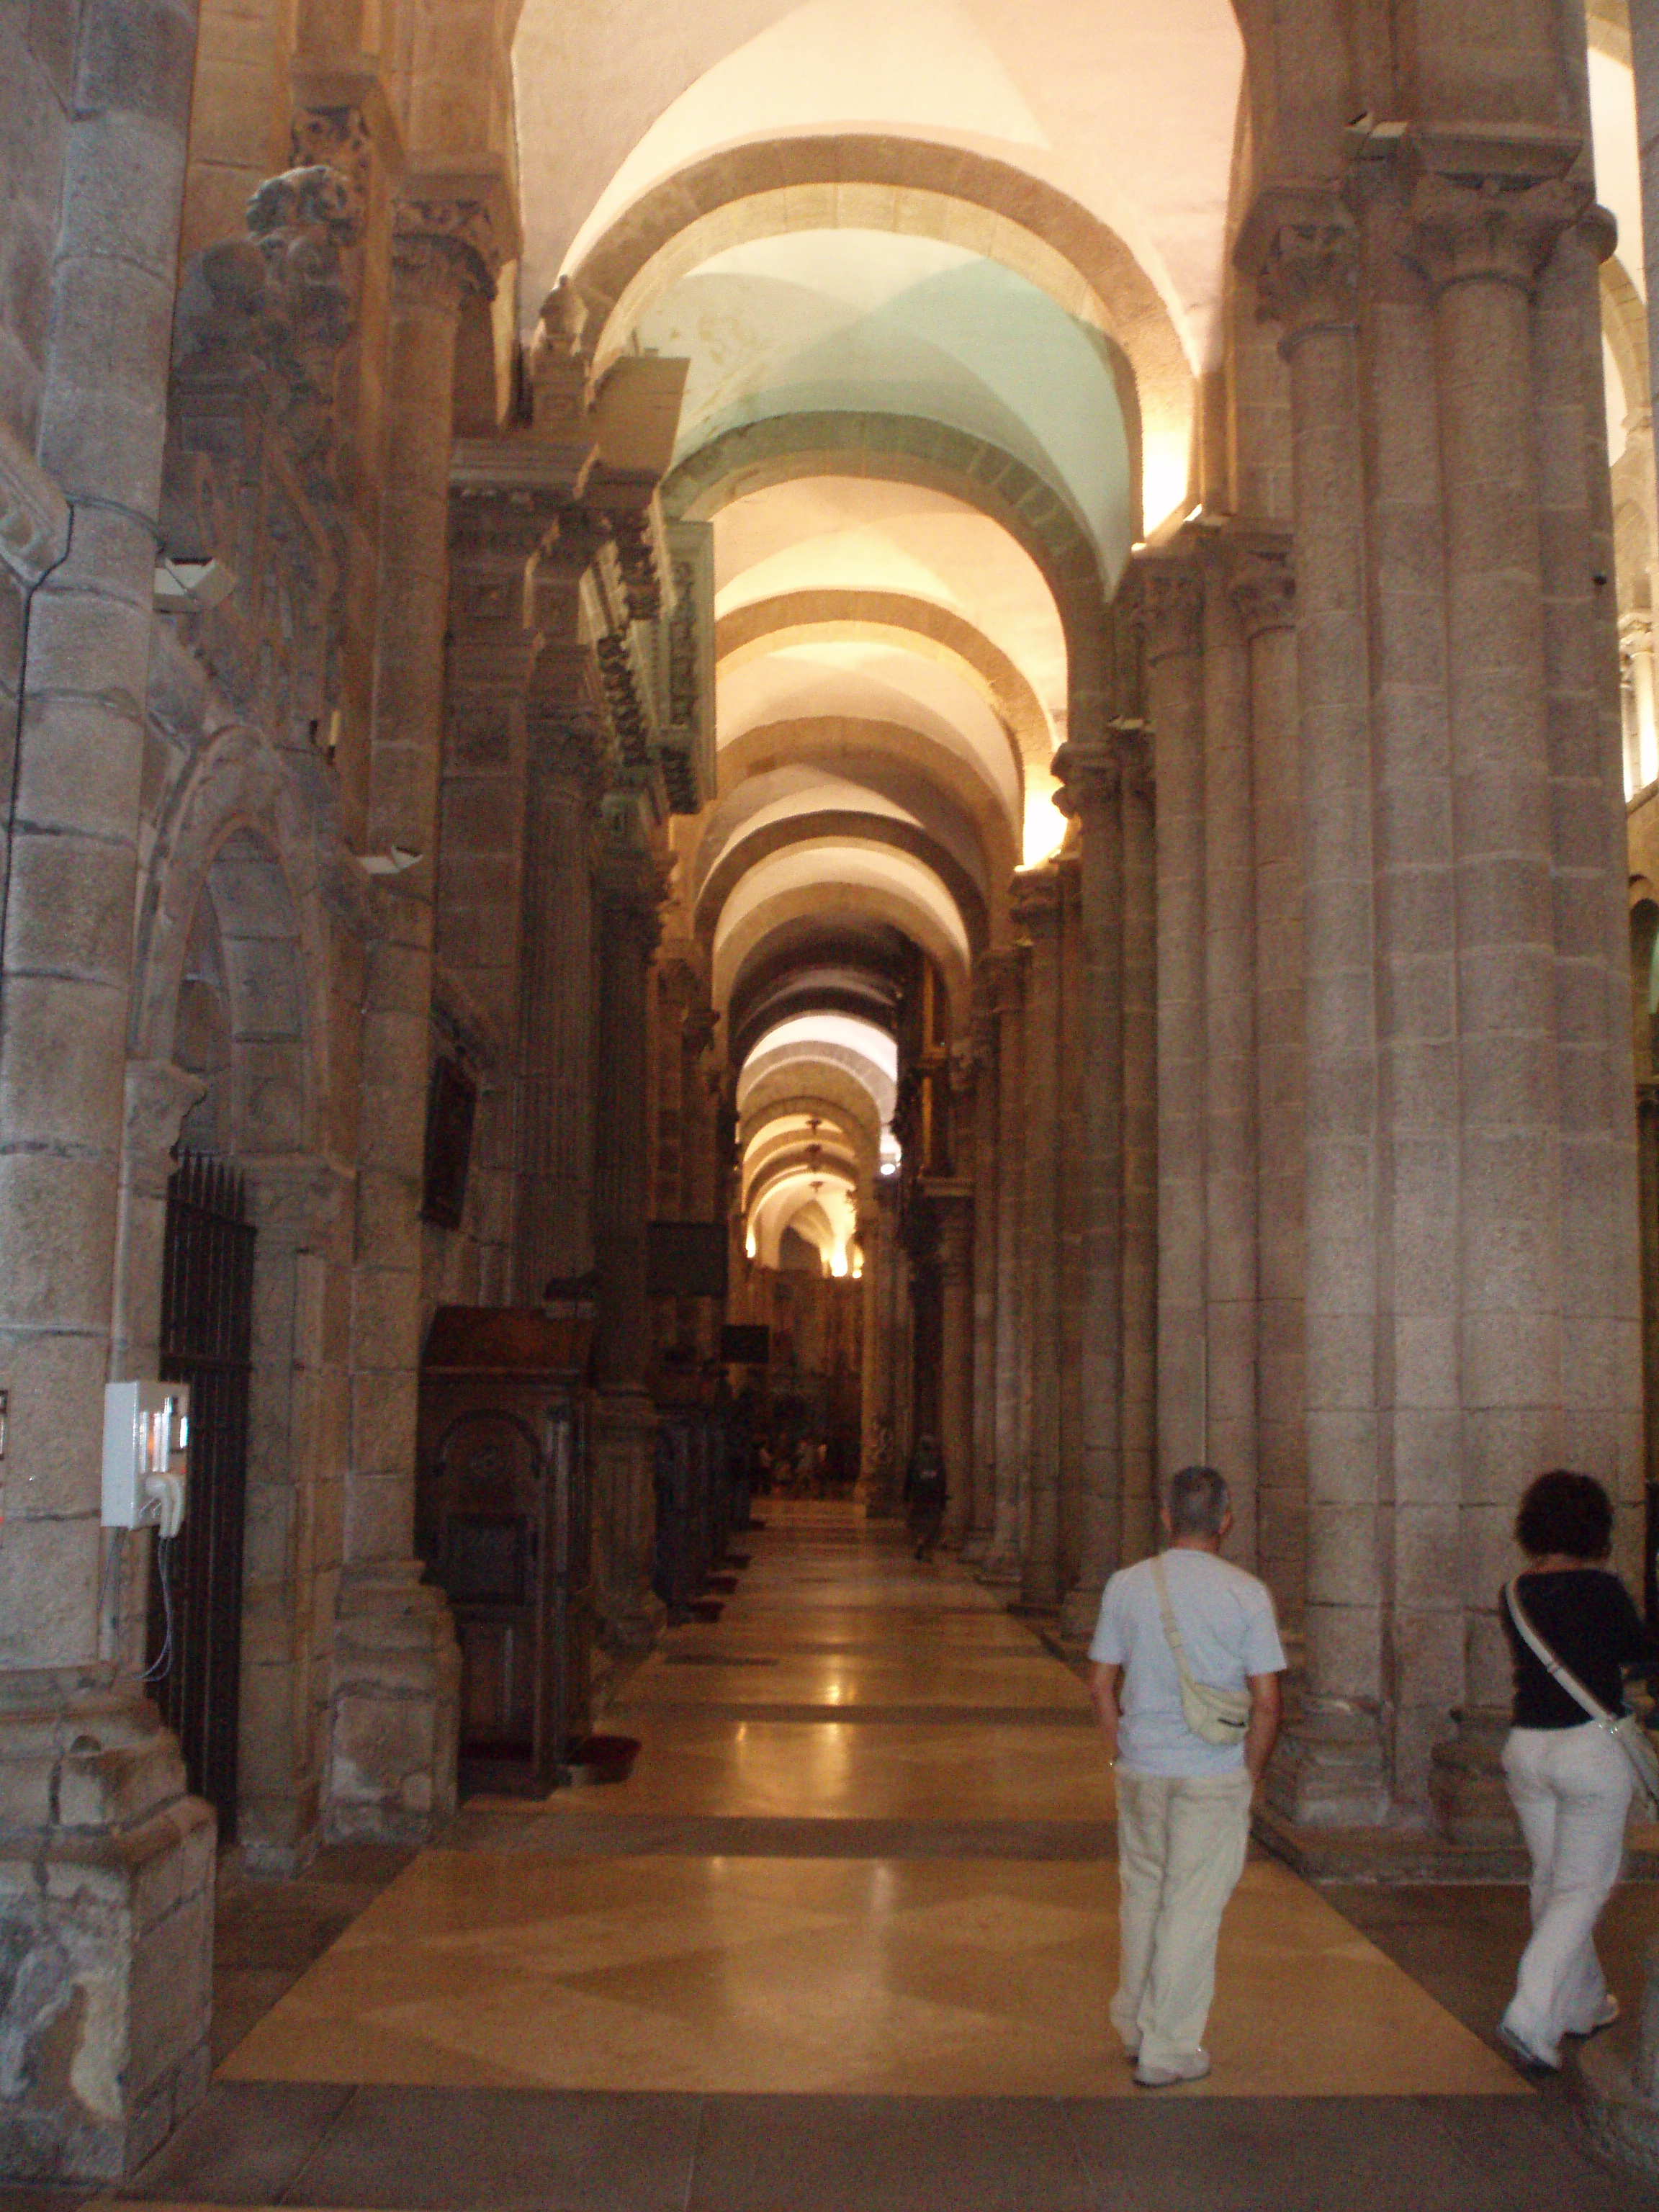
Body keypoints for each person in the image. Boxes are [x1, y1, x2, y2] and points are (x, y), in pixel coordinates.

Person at [1088, 1465, 1285, 2087]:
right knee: (1192, 1907)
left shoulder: (1126, 1585)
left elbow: (1100, 1683)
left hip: (1142, 1767)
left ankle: (1133, 2024)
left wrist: (1122, 1750)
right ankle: (1168, 2047)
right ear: (1227, 1521)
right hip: (1212, 1771)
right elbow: (1268, 1702)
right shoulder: (1247, 1594)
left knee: (1142, 1894)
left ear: (1167, 1518)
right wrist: (1250, 1771)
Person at [1496, 1468, 1658, 2072]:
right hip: (1588, 1750)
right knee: (1581, 1888)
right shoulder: (1603, 1588)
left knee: (1551, 1880)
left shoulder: (1514, 1590)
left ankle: (1583, 2003)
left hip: (1527, 1749)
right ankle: (1531, 2014)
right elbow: (1638, 1652)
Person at [904, 1434, 948, 1561]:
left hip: (918, 1495)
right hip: (934, 1496)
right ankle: (928, 1551)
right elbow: (942, 1480)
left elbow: (909, 1479)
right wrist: (943, 1498)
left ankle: (920, 1540)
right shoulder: (938, 1460)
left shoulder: (915, 1459)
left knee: (919, 1521)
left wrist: (906, 1496)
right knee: (932, 1522)